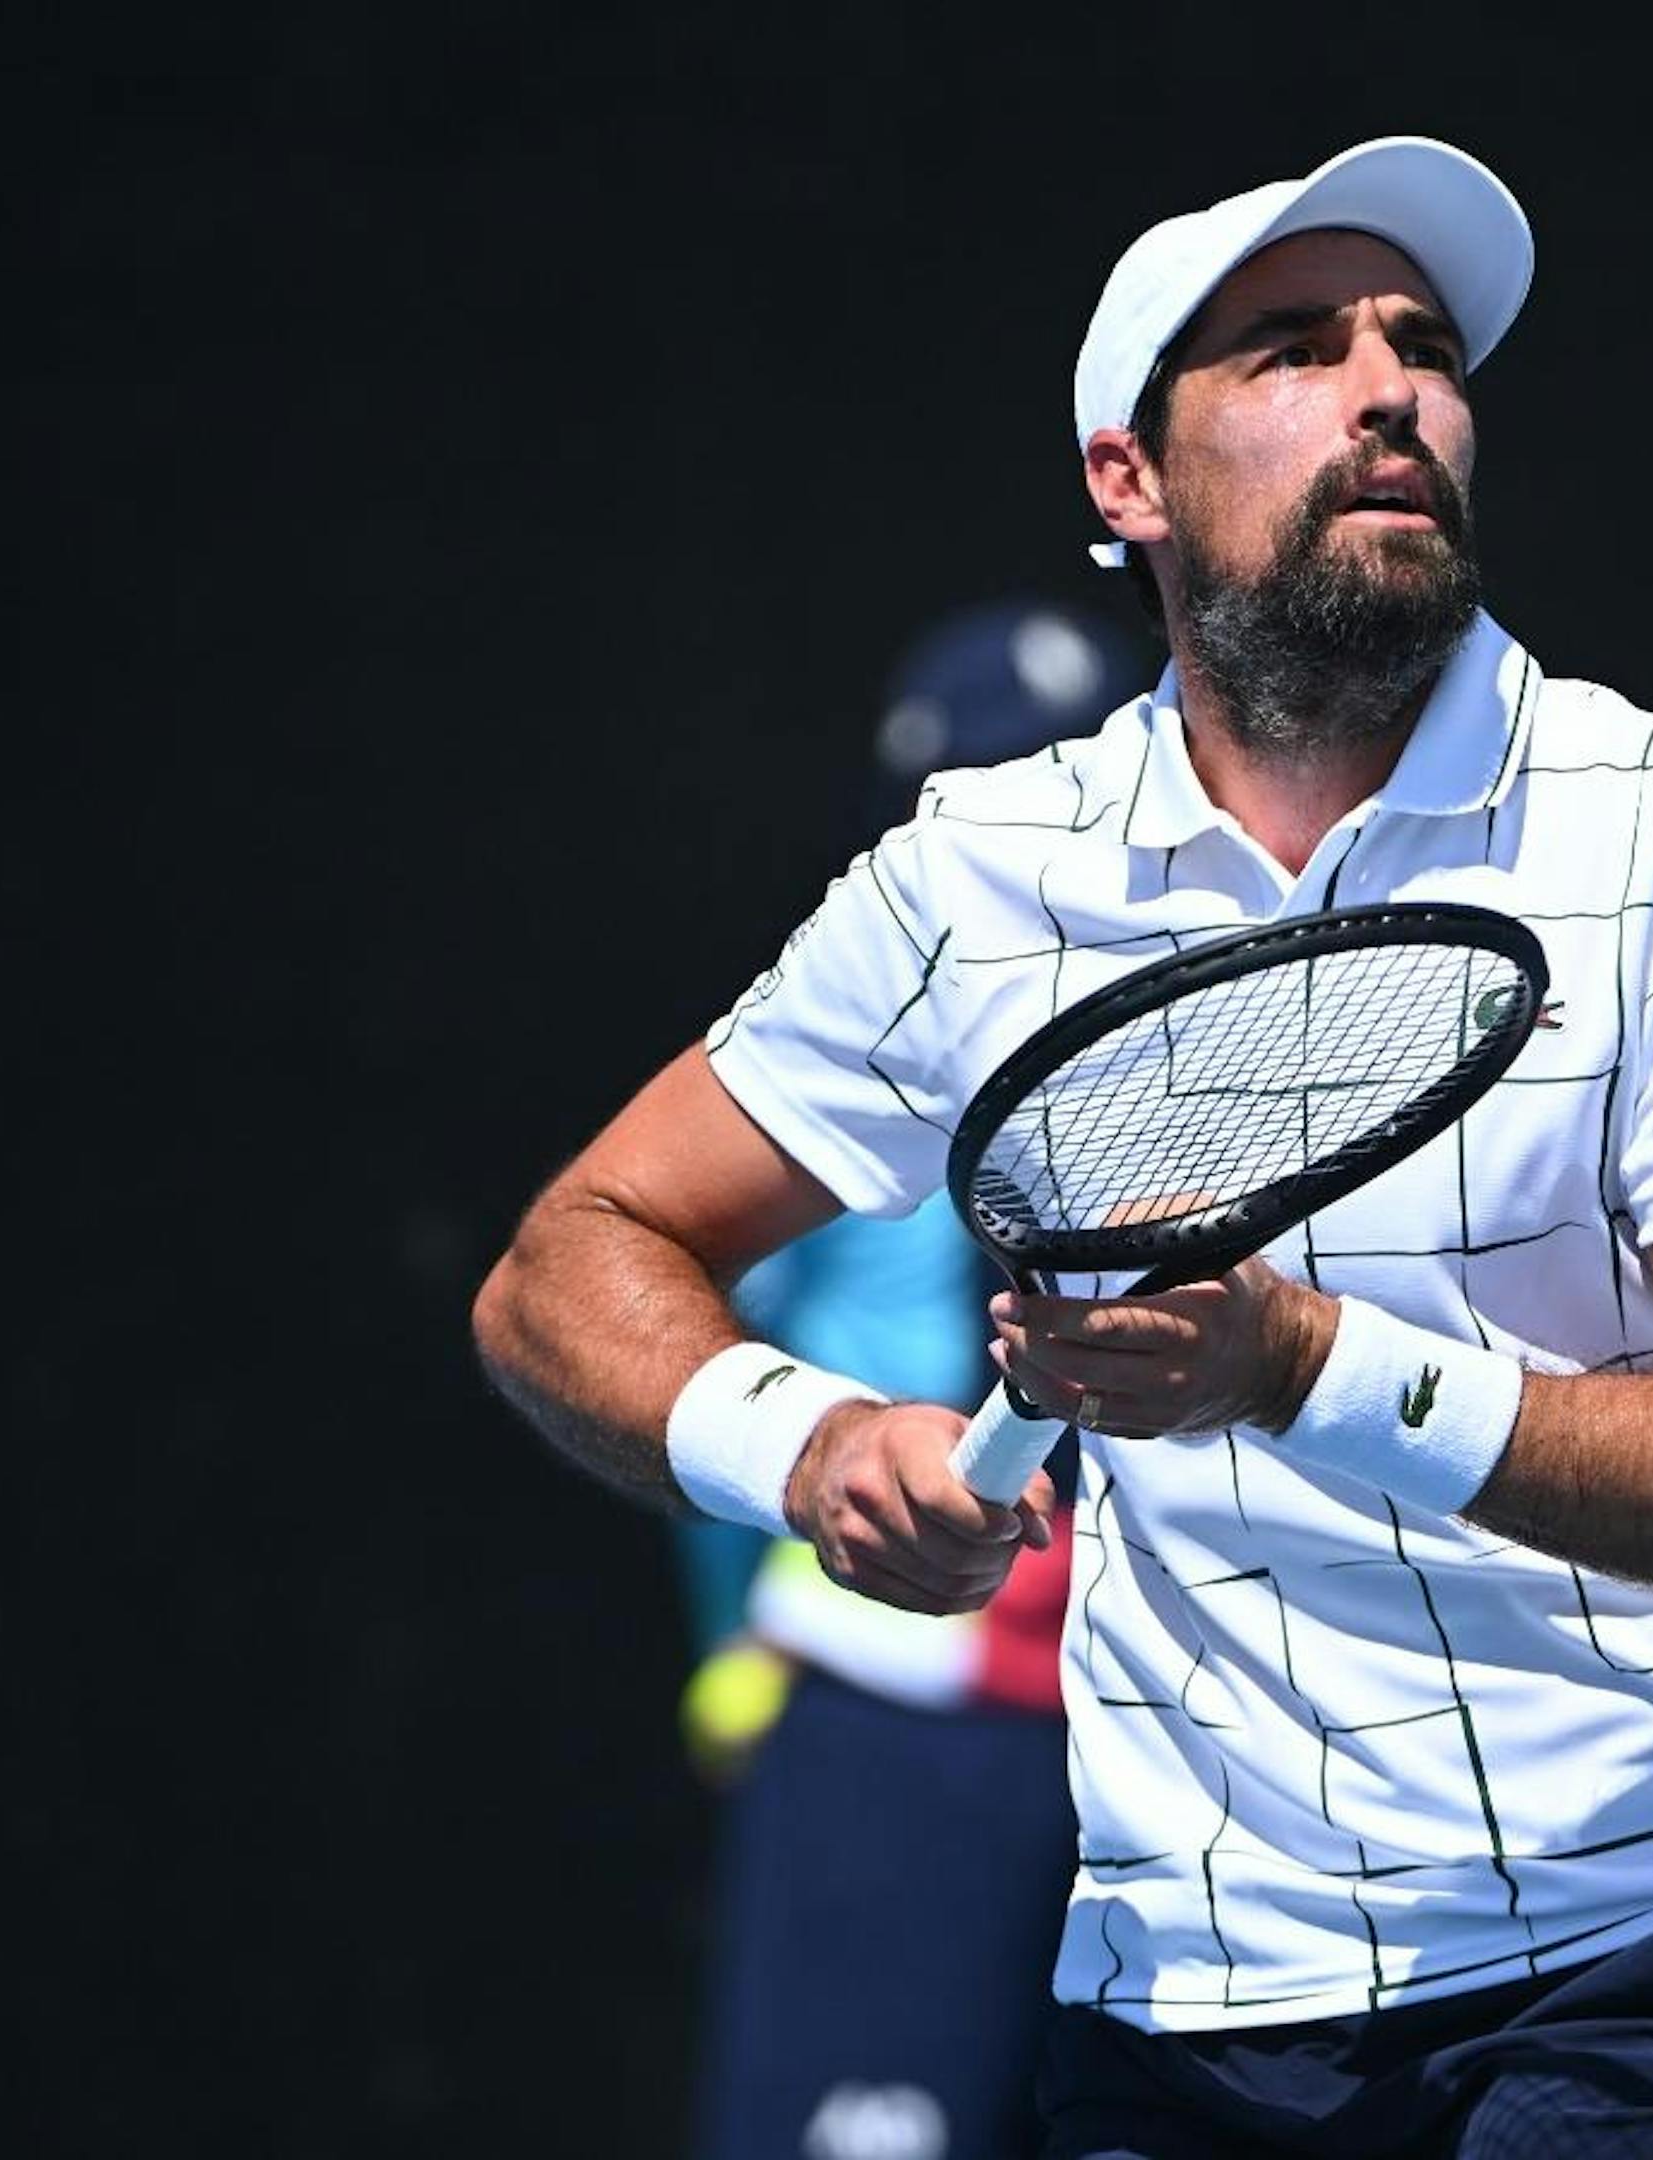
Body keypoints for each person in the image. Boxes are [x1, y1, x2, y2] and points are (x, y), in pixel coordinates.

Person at [477, 135, 1653, 2157]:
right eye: (1290, 348)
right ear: (1128, 479)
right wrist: (810, 1452)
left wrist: (1308, 1366)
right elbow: (572, 1260)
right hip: (1188, 2019)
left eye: (1422, 347)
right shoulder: (980, 879)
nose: (1387, 390)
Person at [669, 596, 1143, 2160]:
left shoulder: (1243, 1049)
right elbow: (682, 1318)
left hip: (1187, 1720)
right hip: (898, 1689)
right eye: (999, 803)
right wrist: (737, 1633)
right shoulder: (824, 1043)